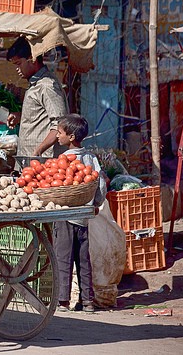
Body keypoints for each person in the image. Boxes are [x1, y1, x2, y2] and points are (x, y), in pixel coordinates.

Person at [53, 114, 108, 313]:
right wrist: (96, 204)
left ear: (71, 136)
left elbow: (58, 186)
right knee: (83, 260)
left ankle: (62, 301)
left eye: (60, 133)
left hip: (66, 215)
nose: (57, 136)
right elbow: (100, 183)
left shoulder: (64, 159)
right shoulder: (91, 157)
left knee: (63, 257)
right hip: (84, 217)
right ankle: (87, 301)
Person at [6, 37, 68, 158]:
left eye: (19, 64)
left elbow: (60, 124)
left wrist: (38, 151)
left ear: (32, 59)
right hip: (30, 159)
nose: (17, 70)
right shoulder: (36, 84)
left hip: (42, 161)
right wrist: (22, 116)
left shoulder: (47, 85)